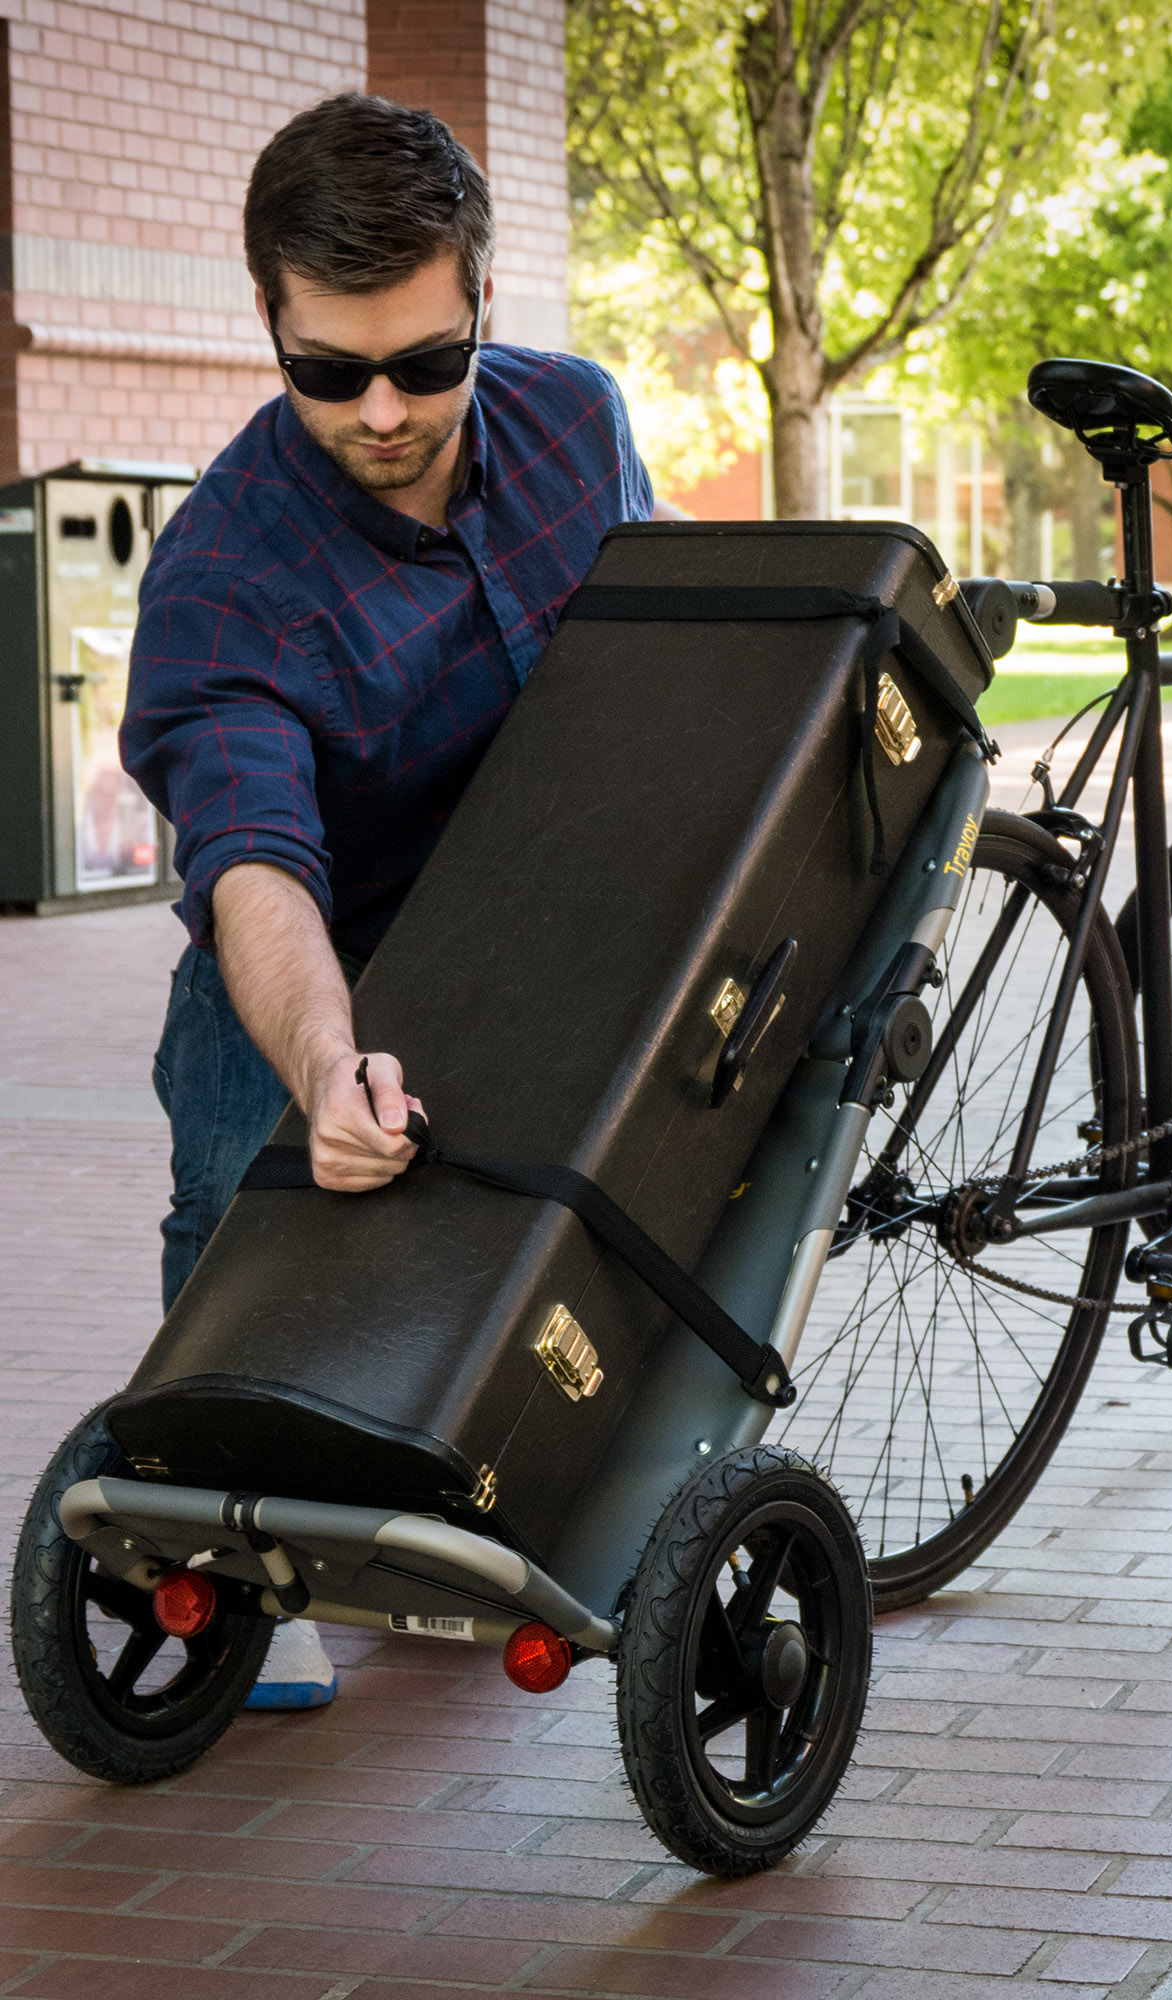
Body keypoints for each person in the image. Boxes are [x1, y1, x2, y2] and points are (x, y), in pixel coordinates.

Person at [121, 94, 655, 1707]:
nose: (380, 409)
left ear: (482, 302)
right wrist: (325, 1067)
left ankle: (468, 1487)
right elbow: (258, 864)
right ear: (267, 325)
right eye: (327, 369)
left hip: (527, 916)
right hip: (313, 938)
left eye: (425, 362)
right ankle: (241, 1560)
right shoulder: (225, 574)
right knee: (247, 1205)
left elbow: (675, 649)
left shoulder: (575, 424)